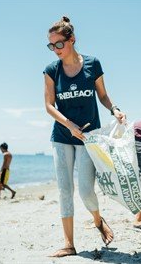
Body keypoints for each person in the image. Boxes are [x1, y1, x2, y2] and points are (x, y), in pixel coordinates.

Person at [43, 16, 126, 257]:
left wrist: (115, 110)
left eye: (59, 44)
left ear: (72, 40)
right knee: (64, 190)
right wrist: (68, 124)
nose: (56, 50)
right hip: (62, 136)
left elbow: (103, 95)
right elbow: (49, 105)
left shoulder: (92, 64)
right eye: (51, 46)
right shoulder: (51, 70)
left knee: (86, 191)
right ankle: (69, 244)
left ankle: (98, 221)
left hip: (89, 137)